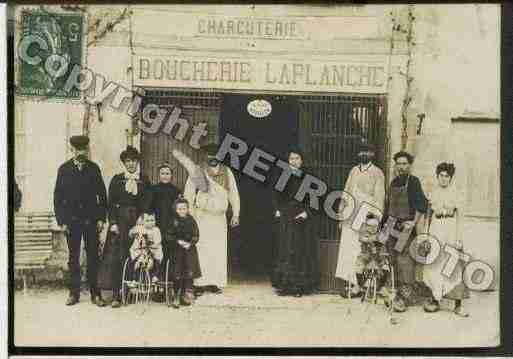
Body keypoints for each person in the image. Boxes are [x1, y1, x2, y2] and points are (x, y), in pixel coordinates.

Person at [174, 144, 240, 295]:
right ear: (206, 156)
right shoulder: (198, 171)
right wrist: (188, 214)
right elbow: (189, 192)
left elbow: (234, 194)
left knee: (217, 249)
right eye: (209, 155)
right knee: (202, 249)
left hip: (219, 218)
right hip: (201, 216)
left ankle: (215, 282)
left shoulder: (227, 172)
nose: (212, 158)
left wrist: (236, 213)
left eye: (215, 155)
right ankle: (200, 283)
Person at [53, 135, 107, 306]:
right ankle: (73, 293)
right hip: (72, 221)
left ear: (87, 150)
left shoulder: (94, 169)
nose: (81, 152)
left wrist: (100, 218)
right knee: (73, 258)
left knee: (93, 258)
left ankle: (95, 294)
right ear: (72, 150)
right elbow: (58, 197)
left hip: (91, 221)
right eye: (77, 150)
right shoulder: (64, 169)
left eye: (84, 149)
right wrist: (62, 221)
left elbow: (102, 195)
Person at [335, 143, 385, 298]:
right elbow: (346, 192)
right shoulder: (354, 170)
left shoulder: (377, 173)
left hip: (366, 217)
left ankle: (363, 286)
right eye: (361, 151)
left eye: (367, 151)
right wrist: (341, 213)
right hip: (350, 215)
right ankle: (352, 284)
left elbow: (379, 198)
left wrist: (374, 219)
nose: (364, 154)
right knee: (349, 250)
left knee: (362, 251)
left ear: (372, 154)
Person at [106, 145, 151, 308]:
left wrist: (143, 217)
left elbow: (148, 201)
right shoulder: (117, 179)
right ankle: (117, 294)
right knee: (118, 256)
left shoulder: (144, 179)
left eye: (134, 161)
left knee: (137, 253)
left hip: (137, 220)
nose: (131, 164)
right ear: (124, 163)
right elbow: (110, 203)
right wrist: (113, 223)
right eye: (128, 161)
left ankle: (132, 290)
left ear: (138, 162)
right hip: (121, 221)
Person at [422, 162, 469, 317]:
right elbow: (428, 215)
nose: (443, 179)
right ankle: (435, 300)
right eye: (441, 176)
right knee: (434, 263)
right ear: (437, 176)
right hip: (436, 226)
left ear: (451, 177)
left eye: (446, 176)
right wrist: (426, 234)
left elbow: (460, 217)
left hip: (450, 227)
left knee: (452, 264)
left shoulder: (456, 193)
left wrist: (459, 237)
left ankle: (458, 304)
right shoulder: (433, 192)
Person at [384, 150, 428, 311]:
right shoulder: (393, 182)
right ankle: (395, 294)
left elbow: (422, 204)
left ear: (409, 165)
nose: (401, 167)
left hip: (404, 228)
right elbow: (387, 206)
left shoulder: (414, 182)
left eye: (404, 163)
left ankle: (404, 298)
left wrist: (413, 222)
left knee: (404, 260)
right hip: (391, 225)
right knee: (392, 259)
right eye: (399, 163)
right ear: (395, 165)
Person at [271, 147, 319, 297]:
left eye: (297, 159)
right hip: (286, 217)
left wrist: (307, 213)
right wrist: (277, 209)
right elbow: (276, 196)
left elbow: (314, 199)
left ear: (301, 161)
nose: (294, 161)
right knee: (285, 251)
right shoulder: (283, 176)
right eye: (291, 159)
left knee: (299, 252)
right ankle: (286, 286)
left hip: (301, 218)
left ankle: (299, 287)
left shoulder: (308, 178)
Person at [166, 197, 201, 308]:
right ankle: (176, 297)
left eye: (184, 208)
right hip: (177, 251)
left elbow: (196, 235)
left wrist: (190, 243)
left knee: (188, 273)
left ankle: (184, 296)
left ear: (187, 209)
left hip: (189, 251)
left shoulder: (191, 220)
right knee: (178, 274)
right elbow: (168, 235)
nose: (182, 211)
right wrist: (178, 241)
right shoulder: (172, 221)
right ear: (176, 210)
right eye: (179, 209)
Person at [149, 163, 180, 277]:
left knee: (169, 252)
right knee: (156, 251)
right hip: (157, 225)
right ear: (159, 175)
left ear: (171, 175)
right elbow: (149, 207)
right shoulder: (153, 189)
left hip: (170, 226)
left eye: (167, 173)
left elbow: (178, 209)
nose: (165, 176)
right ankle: (156, 278)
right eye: (162, 173)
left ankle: (168, 280)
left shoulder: (176, 191)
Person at [129, 213, 163, 283]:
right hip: (142, 250)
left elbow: (158, 241)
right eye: (147, 221)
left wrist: (152, 245)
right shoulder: (141, 229)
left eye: (152, 220)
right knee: (138, 261)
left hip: (153, 249)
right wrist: (136, 233)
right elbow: (132, 233)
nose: (150, 222)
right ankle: (134, 278)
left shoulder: (156, 230)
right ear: (143, 222)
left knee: (157, 258)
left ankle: (155, 275)